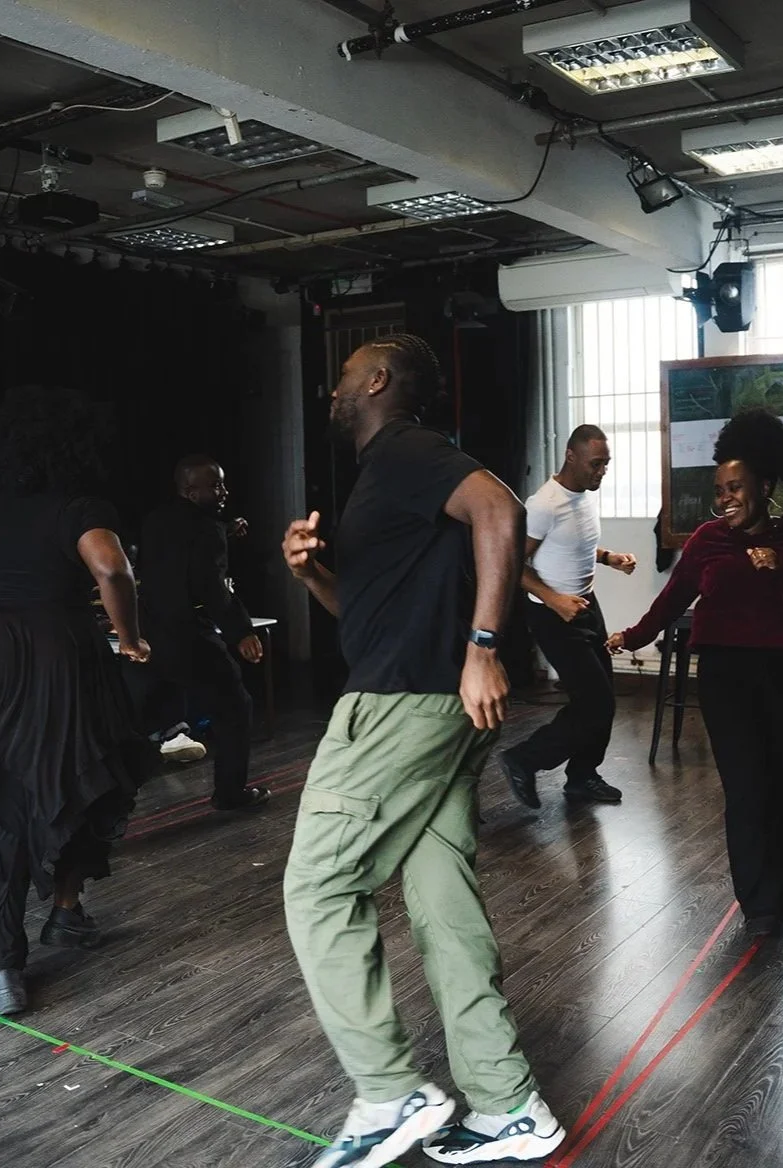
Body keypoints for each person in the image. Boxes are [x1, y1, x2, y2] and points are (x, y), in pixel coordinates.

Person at [281, 333, 565, 1168]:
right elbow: (371, 623)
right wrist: (311, 576)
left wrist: (484, 645)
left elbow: (500, 511)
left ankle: (388, 1090)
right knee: (442, 904)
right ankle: (506, 1103)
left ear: (375, 381)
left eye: (340, 379)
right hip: (432, 704)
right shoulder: (386, 479)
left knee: (319, 884)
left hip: (403, 709)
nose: (331, 393)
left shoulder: (405, 453)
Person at [0, 386, 152, 1017]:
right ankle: (34, 936)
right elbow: (112, 568)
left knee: (7, 800)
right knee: (83, 780)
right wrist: (129, 637)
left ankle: (28, 946)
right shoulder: (81, 506)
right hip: (60, 655)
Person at [608, 408, 783, 937]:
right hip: (725, 678)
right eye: (719, 491)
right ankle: (758, 901)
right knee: (746, 788)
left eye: (735, 488)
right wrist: (634, 636)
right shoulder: (707, 541)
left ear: (765, 484)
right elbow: (671, 601)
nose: (725, 500)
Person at [500, 423, 636, 809]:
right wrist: (554, 599)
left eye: (606, 464)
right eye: (595, 464)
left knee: (602, 696)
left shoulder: (582, 496)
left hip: (585, 606)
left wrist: (609, 558)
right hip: (553, 614)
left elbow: (572, 545)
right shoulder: (544, 504)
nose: (601, 472)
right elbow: (514, 562)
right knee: (594, 703)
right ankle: (523, 759)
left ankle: (582, 776)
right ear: (571, 457)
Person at [135, 455, 269, 811]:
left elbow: (180, 551)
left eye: (223, 483)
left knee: (144, 710)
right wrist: (241, 631)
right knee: (235, 707)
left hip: (152, 631)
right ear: (191, 492)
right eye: (215, 485)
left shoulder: (156, 521)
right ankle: (230, 793)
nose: (224, 491)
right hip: (189, 634)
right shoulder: (207, 530)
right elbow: (212, 587)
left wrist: (225, 529)